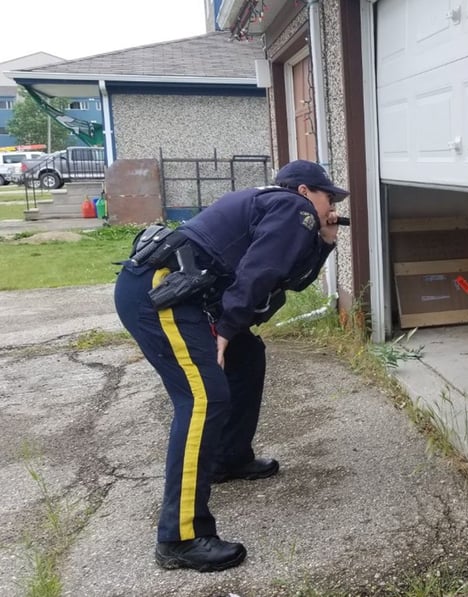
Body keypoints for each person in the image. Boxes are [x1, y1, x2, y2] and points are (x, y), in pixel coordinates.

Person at [113, 159, 348, 572]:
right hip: (163, 293)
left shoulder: (285, 214)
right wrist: (224, 330)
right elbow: (260, 272)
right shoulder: (293, 208)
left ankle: (228, 458)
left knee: (247, 357)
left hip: (180, 293)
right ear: (304, 191)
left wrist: (327, 241)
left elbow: (287, 278)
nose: (331, 205)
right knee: (204, 399)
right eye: (328, 195)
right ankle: (180, 536)